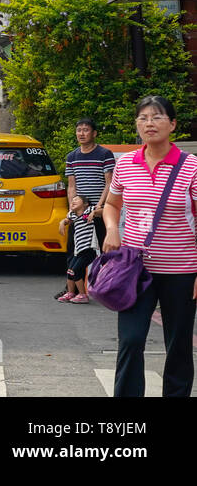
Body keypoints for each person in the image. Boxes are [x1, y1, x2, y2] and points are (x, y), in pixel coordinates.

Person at [104, 95, 197, 397]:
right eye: (143, 117)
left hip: (181, 269)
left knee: (179, 343)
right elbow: (112, 204)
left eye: (157, 117)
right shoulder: (127, 164)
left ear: (172, 124)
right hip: (135, 269)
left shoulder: (192, 167)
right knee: (130, 340)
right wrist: (111, 230)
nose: (149, 123)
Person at [65, 118, 114, 255]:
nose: (81, 134)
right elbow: (71, 186)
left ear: (94, 133)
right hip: (79, 210)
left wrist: (99, 205)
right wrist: (72, 207)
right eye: (79, 130)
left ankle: (106, 276)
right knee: (75, 251)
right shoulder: (72, 157)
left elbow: (109, 182)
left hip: (98, 211)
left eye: (86, 130)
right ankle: (75, 276)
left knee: (105, 249)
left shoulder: (105, 154)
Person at [57, 194, 98, 304]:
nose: (73, 201)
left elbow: (102, 210)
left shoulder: (88, 210)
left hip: (88, 249)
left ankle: (83, 295)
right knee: (70, 271)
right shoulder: (73, 215)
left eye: (77, 200)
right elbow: (67, 219)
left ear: (85, 204)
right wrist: (62, 222)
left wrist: (94, 212)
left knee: (75, 271)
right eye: (72, 200)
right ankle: (71, 293)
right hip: (78, 249)